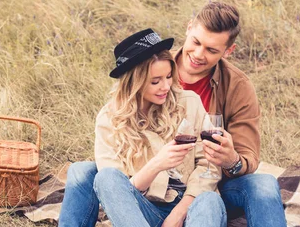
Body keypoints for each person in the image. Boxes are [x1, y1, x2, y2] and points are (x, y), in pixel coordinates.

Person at [58, 28, 226, 227]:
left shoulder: (189, 102)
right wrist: (157, 165)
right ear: (134, 83)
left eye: (169, 76)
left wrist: (179, 214)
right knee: (105, 176)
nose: (165, 86)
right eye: (155, 81)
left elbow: (209, 165)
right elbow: (117, 192)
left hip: (190, 208)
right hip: (142, 212)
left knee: (210, 200)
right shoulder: (109, 118)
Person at [173, 1, 287, 226]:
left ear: (228, 51)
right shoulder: (155, 67)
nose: (197, 54)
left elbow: (247, 158)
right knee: (84, 173)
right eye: (196, 42)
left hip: (213, 183)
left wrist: (231, 160)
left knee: (264, 184)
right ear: (188, 28)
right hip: (160, 179)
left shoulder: (239, 87)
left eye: (211, 50)